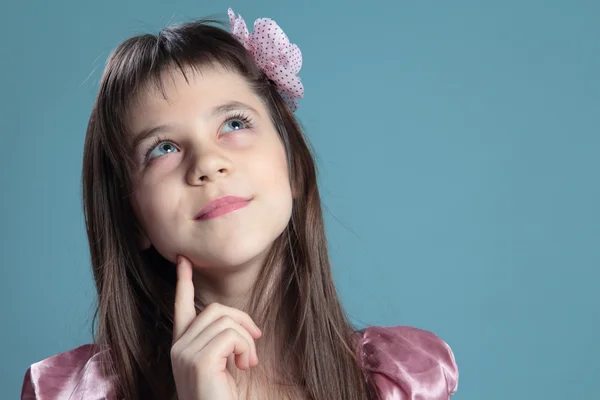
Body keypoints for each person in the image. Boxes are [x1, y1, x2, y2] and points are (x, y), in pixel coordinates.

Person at [20, 7, 458, 400]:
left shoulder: (402, 382)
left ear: (296, 171)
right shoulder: (75, 392)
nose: (208, 163)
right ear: (132, 218)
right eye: (162, 148)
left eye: (234, 122)